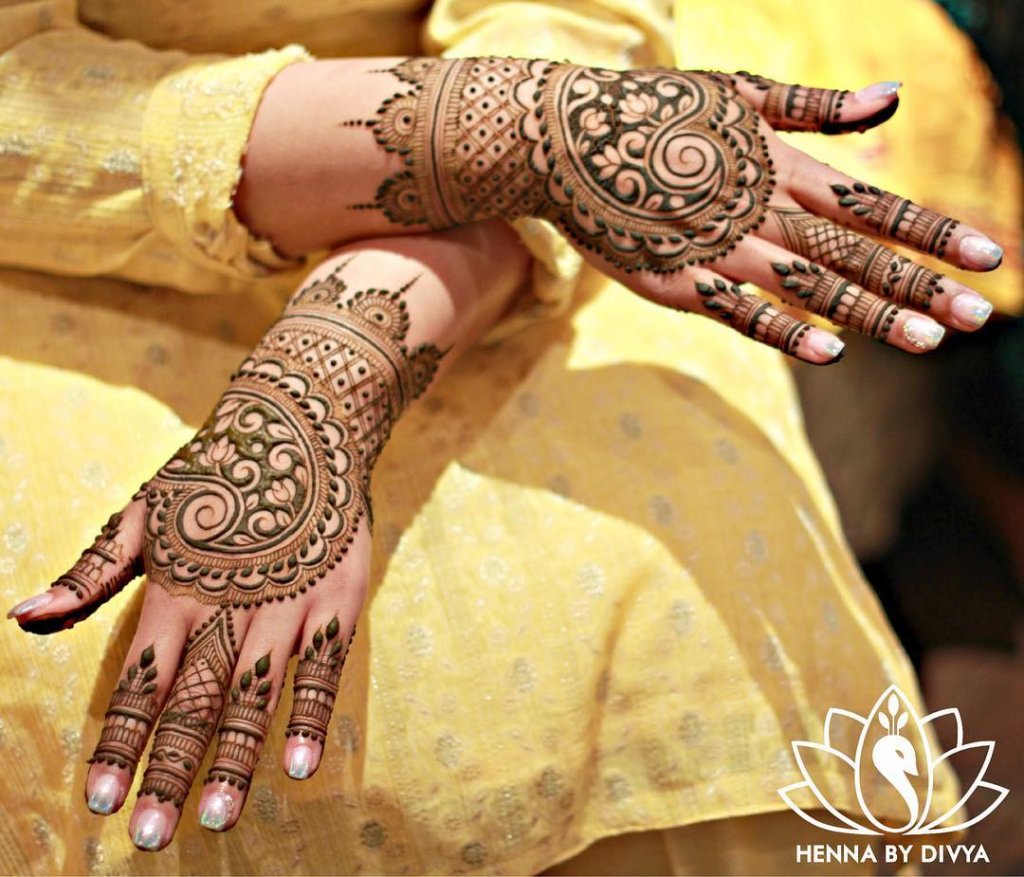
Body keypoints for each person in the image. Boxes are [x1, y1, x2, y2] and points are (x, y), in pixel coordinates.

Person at [0, 0, 1015, 873]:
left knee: (680, 600)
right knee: (76, 679)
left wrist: (341, 353)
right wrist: (521, 132)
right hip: (72, 243)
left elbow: (573, 26)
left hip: (508, 234)